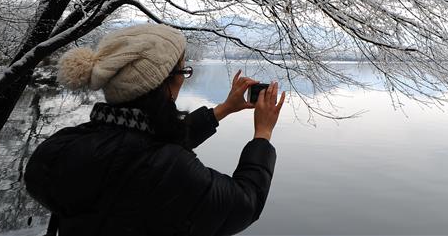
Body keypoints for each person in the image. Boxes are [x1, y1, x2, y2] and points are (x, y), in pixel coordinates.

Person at [24, 23, 285, 236]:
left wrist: (224, 109)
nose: (184, 77)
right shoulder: (168, 169)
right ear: (163, 83)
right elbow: (244, 205)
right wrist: (262, 135)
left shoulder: (63, 148)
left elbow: (144, 147)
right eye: (183, 70)